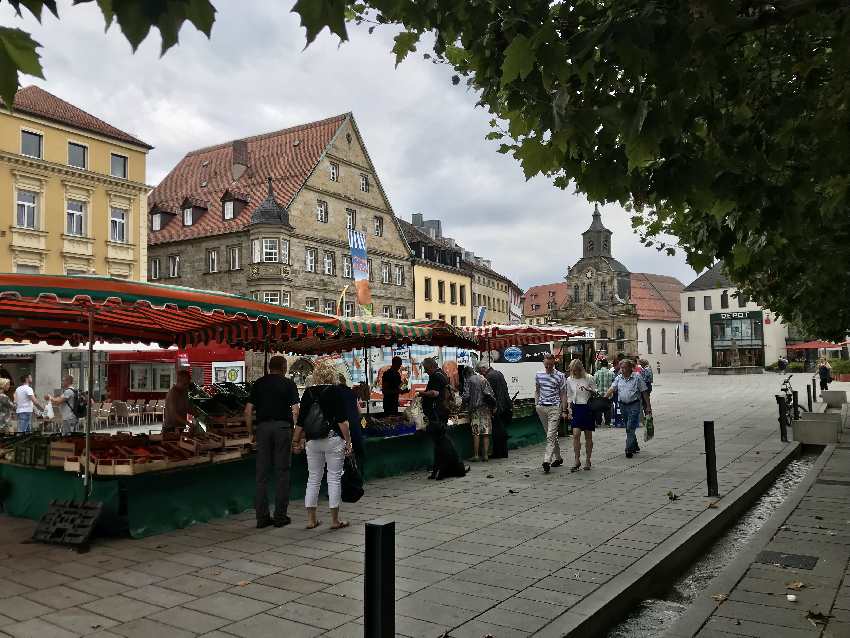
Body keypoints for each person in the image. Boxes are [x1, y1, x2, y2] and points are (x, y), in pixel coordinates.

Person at [292, 361, 353, 530]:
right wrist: (348, 441)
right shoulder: (335, 391)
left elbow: (301, 422)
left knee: (313, 478)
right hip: (333, 439)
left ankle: (311, 520)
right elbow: (343, 422)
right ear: (332, 374)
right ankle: (335, 521)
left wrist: (295, 441)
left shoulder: (308, 393)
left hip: (312, 441)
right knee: (333, 478)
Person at [245, 356, 300, 529]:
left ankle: (262, 518)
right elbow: (295, 411)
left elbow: (247, 411)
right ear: (283, 367)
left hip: (262, 429)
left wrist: (251, 433)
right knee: (282, 473)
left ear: (269, 367)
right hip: (282, 429)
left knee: (261, 476)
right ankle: (280, 517)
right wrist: (296, 435)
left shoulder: (259, 384)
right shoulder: (288, 384)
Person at [417, 358, 467, 480]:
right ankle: (440, 468)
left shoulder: (435, 376)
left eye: (426, 369)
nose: (425, 372)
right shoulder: (442, 374)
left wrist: (421, 394)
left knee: (439, 445)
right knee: (442, 443)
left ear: (430, 367)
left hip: (436, 414)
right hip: (441, 412)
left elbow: (435, 393)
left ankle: (439, 469)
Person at [605, 360, 652, 458]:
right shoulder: (619, 378)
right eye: (621, 368)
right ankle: (635, 445)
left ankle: (628, 449)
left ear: (630, 368)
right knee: (628, 426)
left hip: (634, 404)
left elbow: (644, 392)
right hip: (622, 405)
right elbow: (612, 388)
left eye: (624, 367)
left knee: (630, 426)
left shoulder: (637, 377)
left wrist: (648, 406)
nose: (622, 370)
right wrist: (604, 398)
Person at [535, 353, 568, 473]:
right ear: (544, 363)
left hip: (555, 407)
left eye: (550, 365)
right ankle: (558, 458)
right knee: (551, 435)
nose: (548, 367)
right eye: (546, 365)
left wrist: (564, 410)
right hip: (542, 408)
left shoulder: (560, 376)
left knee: (550, 435)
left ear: (554, 363)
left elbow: (563, 394)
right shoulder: (539, 374)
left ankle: (546, 460)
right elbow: (537, 390)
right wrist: (536, 403)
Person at [566, 360, 596, 471]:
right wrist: (569, 408)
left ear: (580, 369)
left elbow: (595, 391)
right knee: (576, 434)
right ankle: (577, 459)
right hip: (576, 408)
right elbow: (569, 395)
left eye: (576, 371)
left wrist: (590, 390)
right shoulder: (569, 380)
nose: (574, 373)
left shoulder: (589, 377)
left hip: (587, 408)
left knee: (588, 435)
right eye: (572, 371)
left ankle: (588, 460)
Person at [479, 362, 511, 458]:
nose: (481, 374)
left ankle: (498, 453)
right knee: (501, 429)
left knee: (497, 431)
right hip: (504, 405)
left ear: (484, 369)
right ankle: (504, 452)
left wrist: (492, 406)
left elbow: (489, 394)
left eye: (481, 371)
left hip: (497, 407)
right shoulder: (499, 373)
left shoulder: (489, 377)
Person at [461, 366, 492, 462]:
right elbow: (490, 393)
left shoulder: (468, 381)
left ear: (466, 374)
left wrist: (463, 405)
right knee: (486, 432)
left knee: (476, 432)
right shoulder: (483, 378)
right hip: (486, 409)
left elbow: (466, 396)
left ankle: (476, 455)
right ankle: (486, 455)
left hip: (475, 410)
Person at [338, 373, 365, 474]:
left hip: (342, 430)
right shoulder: (352, 392)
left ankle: (348, 479)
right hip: (355, 428)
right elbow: (359, 411)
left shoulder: (333, 393)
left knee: (344, 459)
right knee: (358, 455)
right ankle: (359, 476)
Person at [162, 369, 191, 433]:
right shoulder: (172, 393)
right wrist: (188, 423)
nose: (187, 386)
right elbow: (173, 414)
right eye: (185, 384)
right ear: (179, 381)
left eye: (188, 383)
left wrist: (198, 415)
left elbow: (187, 408)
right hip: (170, 428)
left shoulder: (184, 391)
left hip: (180, 427)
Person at [593, 360, 615, 426]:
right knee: (608, 408)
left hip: (599, 394)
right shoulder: (611, 373)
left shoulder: (597, 373)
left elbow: (594, 383)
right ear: (607, 365)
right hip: (608, 394)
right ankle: (607, 423)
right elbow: (614, 384)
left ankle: (598, 422)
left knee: (598, 408)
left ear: (601, 365)